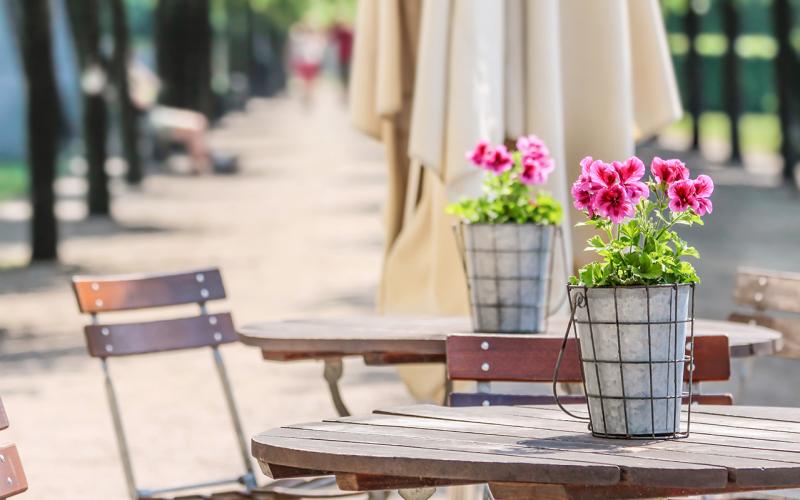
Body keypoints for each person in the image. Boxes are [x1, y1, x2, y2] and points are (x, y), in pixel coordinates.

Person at [128, 60, 216, 174]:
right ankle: (201, 165)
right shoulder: (122, 74)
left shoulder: (134, 69)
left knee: (200, 120)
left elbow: (153, 85)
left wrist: (147, 84)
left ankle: (201, 163)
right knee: (195, 127)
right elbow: (140, 102)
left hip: (154, 111)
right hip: (146, 118)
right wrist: (145, 90)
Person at [288, 23, 326, 108]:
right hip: (306, 63)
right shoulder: (302, 40)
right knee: (306, 83)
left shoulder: (315, 41)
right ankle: (307, 97)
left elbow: (318, 54)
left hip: (311, 64)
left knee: (309, 83)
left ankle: (308, 97)